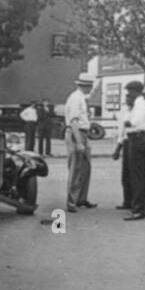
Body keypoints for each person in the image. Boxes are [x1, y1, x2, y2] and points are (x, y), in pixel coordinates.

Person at [121, 80, 145, 220]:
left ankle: (139, 209)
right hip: (139, 138)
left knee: (137, 175)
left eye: (129, 92)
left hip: (138, 138)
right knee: (141, 175)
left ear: (135, 91)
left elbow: (134, 122)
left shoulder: (139, 104)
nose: (128, 95)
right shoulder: (141, 103)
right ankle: (140, 207)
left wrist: (127, 122)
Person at [63, 73, 95, 212]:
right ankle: (72, 201)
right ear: (86, 86)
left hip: (83, 133)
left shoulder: (81, 98)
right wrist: (79, 142)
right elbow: (73, 121)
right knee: (76, 168)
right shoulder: (76, 98)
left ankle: (81, 198)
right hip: (77, 133)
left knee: (85, 167)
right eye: (90, 86)